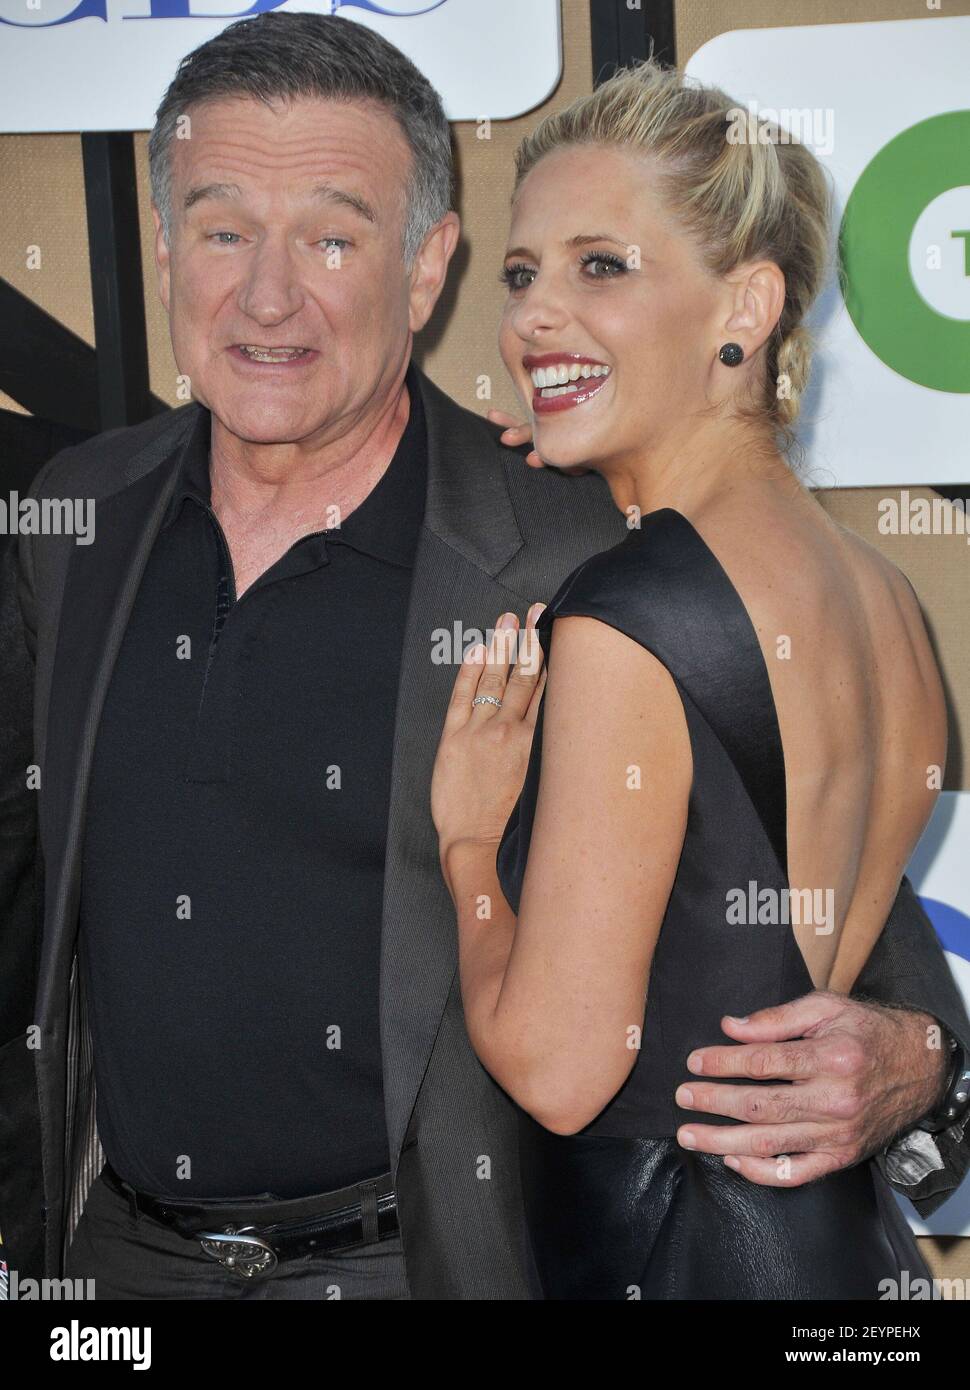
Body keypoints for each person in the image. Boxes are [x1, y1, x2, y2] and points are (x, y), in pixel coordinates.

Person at [0, 13, 967, 1301]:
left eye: (333, 237)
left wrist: (921, 1055)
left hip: (438, 1267)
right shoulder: (76, 520)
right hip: (118, 1271)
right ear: (167, 247)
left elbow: (799, 873)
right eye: (225, 230)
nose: (267, 294)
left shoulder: (582, 546)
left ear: (422, 269)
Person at [430, 58, 967, 1298]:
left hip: (674, 1260)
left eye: (600, 267)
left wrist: (467, 842)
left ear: (748, 302)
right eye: (523, 274)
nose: (531, 318)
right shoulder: (884, 600)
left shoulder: (626, 620)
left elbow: (562, 1071)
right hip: (836, 1255)